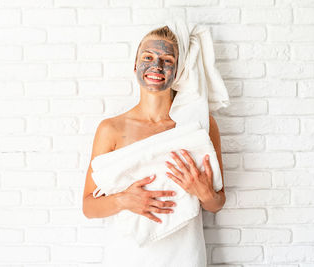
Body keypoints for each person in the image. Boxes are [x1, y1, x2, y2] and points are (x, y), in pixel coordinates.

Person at [82, 25, 226, 266]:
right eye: (148, 57)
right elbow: (88, 206)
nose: (156, 66)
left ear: (178, 71)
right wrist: (123, 200)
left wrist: (205, 193)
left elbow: (217, 203)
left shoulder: (200, 124)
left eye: (167, 59)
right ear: (135, 65)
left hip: (184, 254)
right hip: (128, 255)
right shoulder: (111, 129)